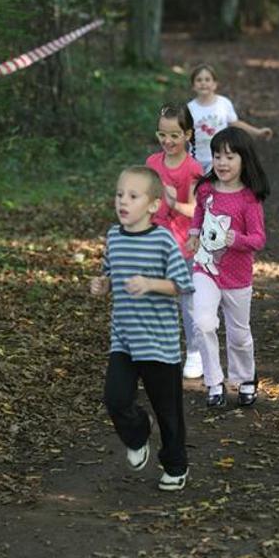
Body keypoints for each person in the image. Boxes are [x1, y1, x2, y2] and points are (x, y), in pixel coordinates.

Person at [90, 166, 194, 491]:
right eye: (119, 194)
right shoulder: (114, 236)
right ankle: (137, 434)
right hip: (124, 339)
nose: (123, 201)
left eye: (133, 196)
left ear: (153, 205)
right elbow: (110, 272)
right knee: (115, 399)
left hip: (159, 343)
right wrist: (103, 284)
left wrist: (151, 284)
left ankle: (175, 466)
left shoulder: (162, 240)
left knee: (168, 413)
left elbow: (182, 284)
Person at [187, 127, 269, 408]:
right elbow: (199, 211)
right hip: (206, 268)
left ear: (244, 160)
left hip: (237, 277)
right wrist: (194, 233)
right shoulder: (207, 189)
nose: (222, 163)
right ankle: (213, 382)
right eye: (217, 156)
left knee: (239, 334)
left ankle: (245, 378)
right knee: (203, 323)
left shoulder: (249, 199)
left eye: (230, 157)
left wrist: (238, 240)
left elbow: (259, 239)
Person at [146, 103, 204, 380]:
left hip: (182, 244)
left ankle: (194, 352)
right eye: (162, 135)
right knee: (155, 297)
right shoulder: (152, 163)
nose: (167, 141)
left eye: (174, 135)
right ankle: (157, 351)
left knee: (187, 300)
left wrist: (172, 203)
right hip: (153, 241)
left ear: (188, 135)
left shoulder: (192, 168)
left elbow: (195, 211)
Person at [187, 63, 273, 172]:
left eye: (207, 80)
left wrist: (257, 132)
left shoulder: (223, 103)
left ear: (215, 84)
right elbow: (182, 133)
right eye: (199, 80)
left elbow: (235, 123)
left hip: (220, 160)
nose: (203, 83)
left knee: (215, 182)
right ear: (193, 86)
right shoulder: (189, 108)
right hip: (195, 159)